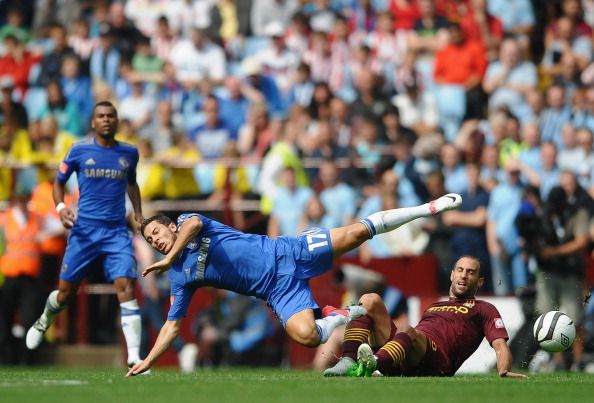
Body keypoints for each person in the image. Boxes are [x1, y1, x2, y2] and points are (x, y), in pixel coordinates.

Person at [126, 193, 463, 376]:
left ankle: (426, 207)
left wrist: (170, 257)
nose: (156, 241)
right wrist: (148, 360)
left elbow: (196, 222)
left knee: (356, 233)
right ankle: (344, 313)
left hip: (288, 251)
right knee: (305, 335)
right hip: (276, 291)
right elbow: (172, 326)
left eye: (157, 233)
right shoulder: (180, 275)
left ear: (170, 226)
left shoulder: (187, 222)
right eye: (151, 240)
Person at [25, 101, 145, 370]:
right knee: (66, 295)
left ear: (116, 121)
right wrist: (60, 207)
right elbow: (58, 183)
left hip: (116, 232)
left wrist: (138, 213)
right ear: (93, 122)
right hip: (84, 233)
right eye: (100, 116)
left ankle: (134, 357)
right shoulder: (78, 151)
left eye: (110, 116)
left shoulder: (129, 153)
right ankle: (45, 319)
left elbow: (132, 183)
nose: (106, 120)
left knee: (126, 287)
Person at [324, 255, 527, 379]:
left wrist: (504, 370)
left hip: (437, 363)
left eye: (471, 272)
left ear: (480, 281)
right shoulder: (436, 305)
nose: (464, 275)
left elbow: (500, 346)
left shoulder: (484, 308)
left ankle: (373, 364)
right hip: (407, 353)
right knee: (370, 300)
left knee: (407, 329)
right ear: (452, 275)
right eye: (460, 270)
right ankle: (350, 360)